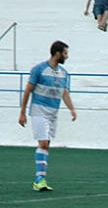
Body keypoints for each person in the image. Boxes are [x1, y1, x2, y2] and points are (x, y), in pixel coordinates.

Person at [18, 41, 77, 192]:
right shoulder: (39, 69)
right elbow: (28, 91)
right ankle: (39, 180)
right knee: (43, 143)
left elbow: (64, 92)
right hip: (39, 110)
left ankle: (40, 179)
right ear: (57, 53)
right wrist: (23, 112)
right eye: (65, 53)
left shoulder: (63, 73)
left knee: (46, 145)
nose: (67, 56)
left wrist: (72, 109)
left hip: (53, 113)